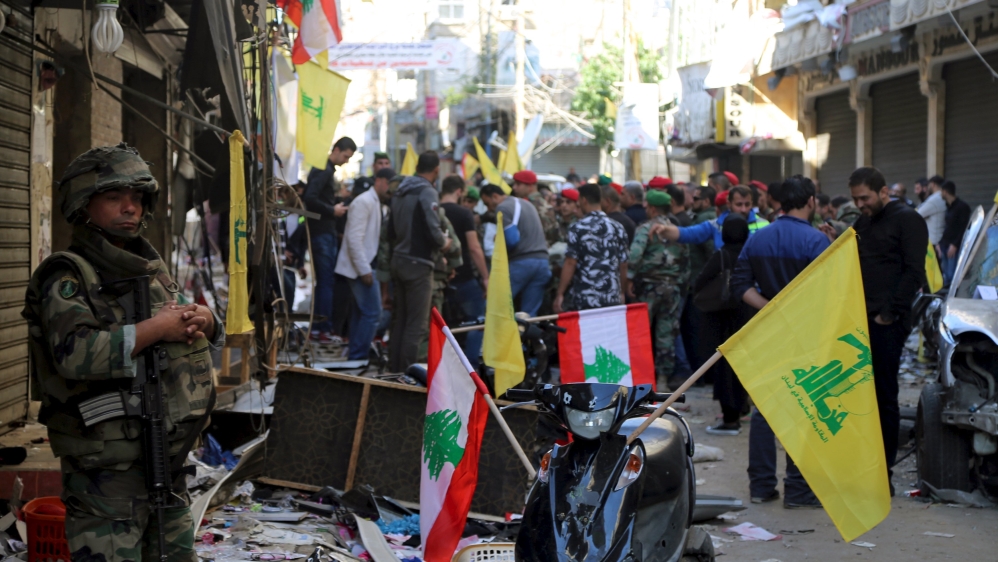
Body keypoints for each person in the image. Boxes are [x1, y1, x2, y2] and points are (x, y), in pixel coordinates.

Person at [23, 144, 222, 561]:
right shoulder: (69, 275)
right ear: (84, 204)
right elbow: (76, 354)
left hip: (166, 458)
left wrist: (203, 319)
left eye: (136, 198)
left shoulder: (147, 266)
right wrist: (156, 328)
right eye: (114, 198)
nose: (129, 208)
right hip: (107, 470)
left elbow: (179, 324)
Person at [732, 175, 830, 508]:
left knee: (764, 410)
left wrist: (771, 309)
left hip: (767, 332)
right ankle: (799, 491)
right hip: (806, 334)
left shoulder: (757, 239)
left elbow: (741, 286)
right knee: (805, 408)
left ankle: (761, 487)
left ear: (778, 203)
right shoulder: (817, 242)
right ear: (811, 201)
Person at [846, 166, 928, 495]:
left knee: (883, 396)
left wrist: (888, 314)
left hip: (886, 322)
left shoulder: (907, 219)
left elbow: (914, 272)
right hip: (859, 320)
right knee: (858, 395)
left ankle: (884, 474)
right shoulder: (863, 221)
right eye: (855, 199)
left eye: (864, 198)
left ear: (883, 192)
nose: (860, 204)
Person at [387, 151, 449, 372]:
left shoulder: (400, 191)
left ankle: (395, 372)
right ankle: (408, 377)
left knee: (400, 322)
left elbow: (390, 230)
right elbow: (434, 229)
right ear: (436, 170)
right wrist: (445, 243)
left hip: (399, 260)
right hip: (419, 264)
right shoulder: (426, 191)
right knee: (417, 325)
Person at [627, 190, 689, 389]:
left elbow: (634, 255)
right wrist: (679, 282)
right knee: (666, 334)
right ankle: (662, 380)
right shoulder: (676, 230)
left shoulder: (646, 228)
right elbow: (687, 263)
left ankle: (642, 379)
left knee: (641, 333)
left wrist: (629, 279)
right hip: (672, 288)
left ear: (652, 208)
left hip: (649, 287)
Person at [335, 167, 394, 361]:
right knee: (372, 313)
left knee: (362, 313)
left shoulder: (375, 202)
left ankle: (356, 354)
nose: (390, 190)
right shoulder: (365, 201)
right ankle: (358, 355)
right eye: (389, 185)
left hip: (364, 265)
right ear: (379, 181)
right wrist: (364, 269)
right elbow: (354, 238)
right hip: (361, 267)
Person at [303, 136, 356, 343]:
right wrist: (332, 209)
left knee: (325, 282)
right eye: (345, 156)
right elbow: (310, 198)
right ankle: (321, 328)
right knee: (326, 282)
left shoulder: (326, 170)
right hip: (322, 232)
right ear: (336, 150)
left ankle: (320, 327)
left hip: (325, 231)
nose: (346, 161)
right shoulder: (324, 170)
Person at [554, 184, 629, 312]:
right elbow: (623, 264)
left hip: (585, 297)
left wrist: (560, 293)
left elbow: (570, 262)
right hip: (611, 296)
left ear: (583, 200)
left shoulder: (578, 227)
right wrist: (621, 292)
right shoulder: (617, 227)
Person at [480, 183, 551, 316]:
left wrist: (499, 240)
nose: (488, 208)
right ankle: (526, 337)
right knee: (528, 316)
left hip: (522, 263)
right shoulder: (527, 204)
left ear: (495, 196)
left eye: (487, 203)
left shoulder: (503, 207)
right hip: (542, 263)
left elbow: (512, 240)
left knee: (493, 308)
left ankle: (485, 337)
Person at [440, 175, 489, 362]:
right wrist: (486, 277)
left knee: (443, 325)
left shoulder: (433, 211)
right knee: (476, 321)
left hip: (439, 279)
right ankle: (471, 368)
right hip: (465, 278)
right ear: (459, 192)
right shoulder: (464, 213)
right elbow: (474, 248)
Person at [650, 185, 769, 249]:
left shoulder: (765, 225)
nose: (743, 209)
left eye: (747, 204)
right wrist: (665, 229)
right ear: (729, 204)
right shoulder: (716, 225)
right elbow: (688, 234)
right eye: (739, 205)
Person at [513, 170, 561, 245]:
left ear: (530, 186)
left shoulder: (538, 205)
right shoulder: (526, 203)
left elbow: (551, 235)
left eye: (518, 184)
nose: (514, 187)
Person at [939, 180, 972, 287]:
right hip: (945, 244)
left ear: (945, 192)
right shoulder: (948, 206)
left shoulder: (962, 207)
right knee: (946, 276)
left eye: (941, 191)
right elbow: (948, 227)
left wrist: (955, 244)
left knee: (952, 275)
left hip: (953, 246)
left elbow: (963, 228)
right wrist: (940, 243)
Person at [917, 175, 947, 250]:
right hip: (940, 239)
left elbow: (918, 214)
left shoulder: (935, 199)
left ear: (932, 184)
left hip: (934, 242)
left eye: (928, 185)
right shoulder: (943, 196)